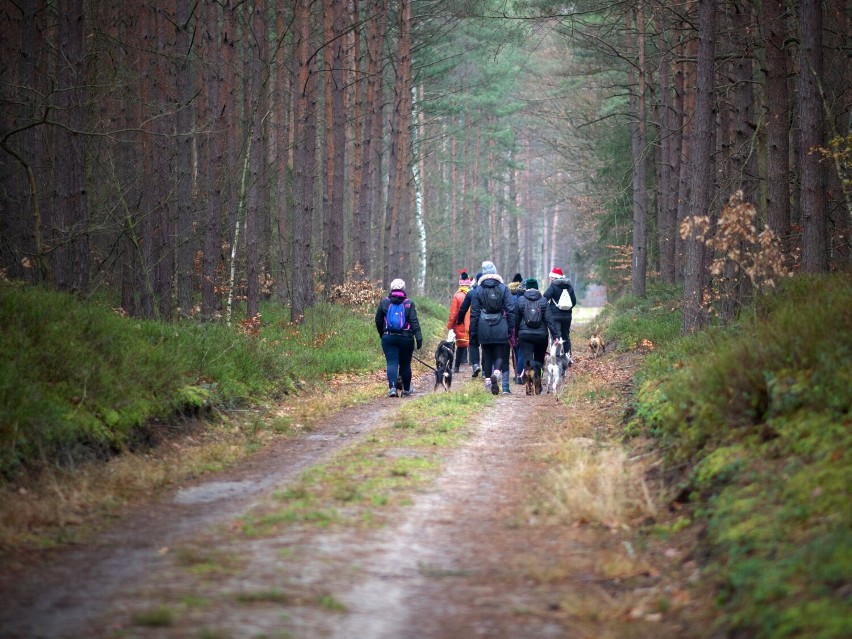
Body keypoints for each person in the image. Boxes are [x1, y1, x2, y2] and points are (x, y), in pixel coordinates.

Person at [469, 260, 515, 395]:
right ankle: (497, 372)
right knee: (499, 354)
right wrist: (511, 328)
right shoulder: (503, 288)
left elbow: (474, 313)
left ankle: (488, 382)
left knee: (487, 354)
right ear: (495, 272)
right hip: (500, 324)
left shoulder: (478, 290)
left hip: (483, 325)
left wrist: (473, 331)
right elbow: (511, 309)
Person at [375, 278, 423, 397]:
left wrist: (382, 333)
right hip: (406, 338)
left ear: (391, 288)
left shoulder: (385, 302)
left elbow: (378, 320)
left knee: (392, 363)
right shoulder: (408, 303)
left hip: (389, 338)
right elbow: (414, 321)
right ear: (403, 289)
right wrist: (418, 337)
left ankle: (392, 388)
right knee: (405, 364)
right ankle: (406, 390)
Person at [514, 278, 560, 382]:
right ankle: (538, 383)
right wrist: (556, 335)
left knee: (528, 361)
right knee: (539, 361)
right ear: (537, 288)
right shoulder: (543, 300)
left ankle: (529, 383)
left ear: (526, 288)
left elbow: (516, 320)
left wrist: (515, 335)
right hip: (541, 336)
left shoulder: (520, 300)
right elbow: (549, 320)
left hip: (524, 335)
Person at [542, 266, 577, 361]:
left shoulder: (553, 286)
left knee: (556, 336)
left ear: (554, 277)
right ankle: (568, 357)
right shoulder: (569, 286)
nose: (550, 278)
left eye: (551, 277)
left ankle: (556, 358)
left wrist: (549, 310)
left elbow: (544, 298)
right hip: (567, 317)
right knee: (566, 336)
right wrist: (567, 310)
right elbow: (574, 301)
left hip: (555, 316)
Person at [455, 271, 482, 377]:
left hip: (467, 324)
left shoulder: (459, 295)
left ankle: (460, 365)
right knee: (482, 345)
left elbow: (456, 312)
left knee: (466, 344)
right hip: (482, 322)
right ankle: (478, 366)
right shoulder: (478, 293)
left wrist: (454, 324)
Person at [447, 271, 473, 373]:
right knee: (473, 345)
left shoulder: (457, 296)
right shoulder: (472, 294)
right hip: (472, 324)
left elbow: (453, 313)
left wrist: (450, 326)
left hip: (460, 324)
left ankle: (456, 366)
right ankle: (475, 366)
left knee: (461, 346)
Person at [507, 273, 525, 383]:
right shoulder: (523, 296)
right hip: (521, 326)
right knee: (520, 351)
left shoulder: (508, 296)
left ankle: (515, 372)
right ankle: (520, 373)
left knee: (513, 351)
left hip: (510, 327)